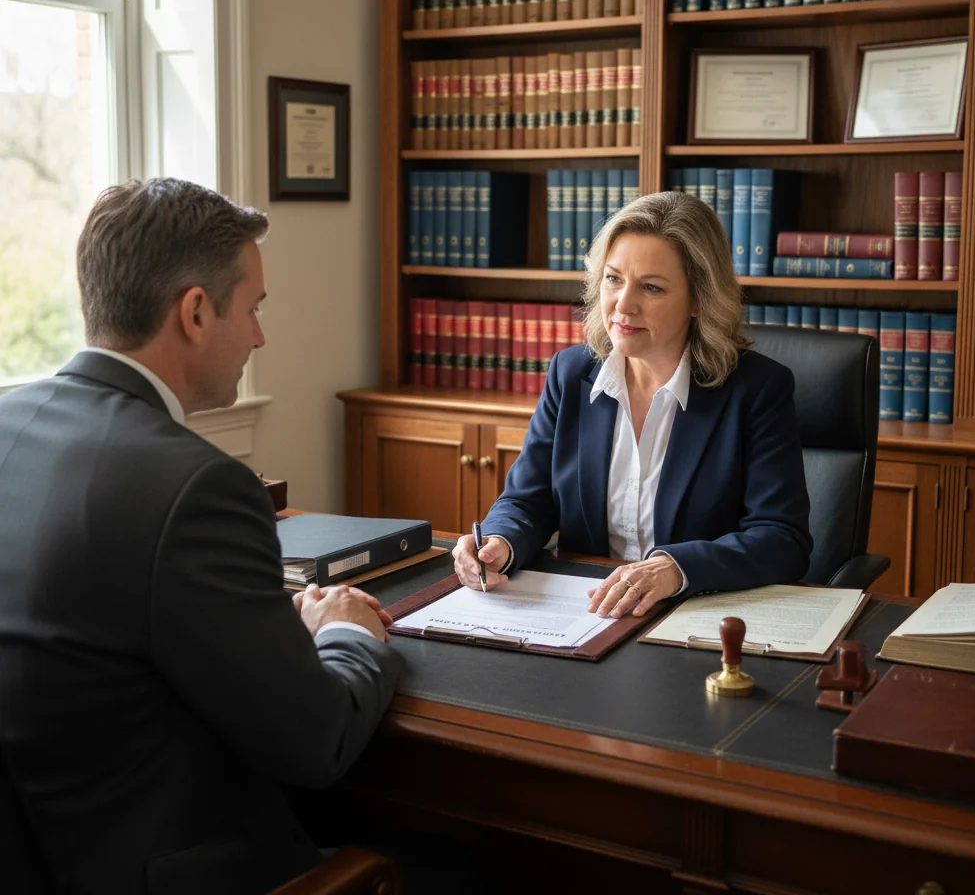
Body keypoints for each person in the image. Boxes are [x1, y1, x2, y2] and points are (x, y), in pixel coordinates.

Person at [0, 179, 403, 895]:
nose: (258, 335)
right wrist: (346, 632)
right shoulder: (199, 488)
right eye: (252, 310)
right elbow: (317, 743)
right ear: (193, 312)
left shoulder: (10, 425)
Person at [452, 190, 812, 618]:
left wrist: (675, 569)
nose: (623, 305)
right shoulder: (571, 374)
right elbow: (527, 500)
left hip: (696, 615)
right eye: (613, 279)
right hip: (588, 612)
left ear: (698, 299)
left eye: (652, 287)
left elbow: (781, 537)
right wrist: (499, 544)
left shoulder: (756, 390)